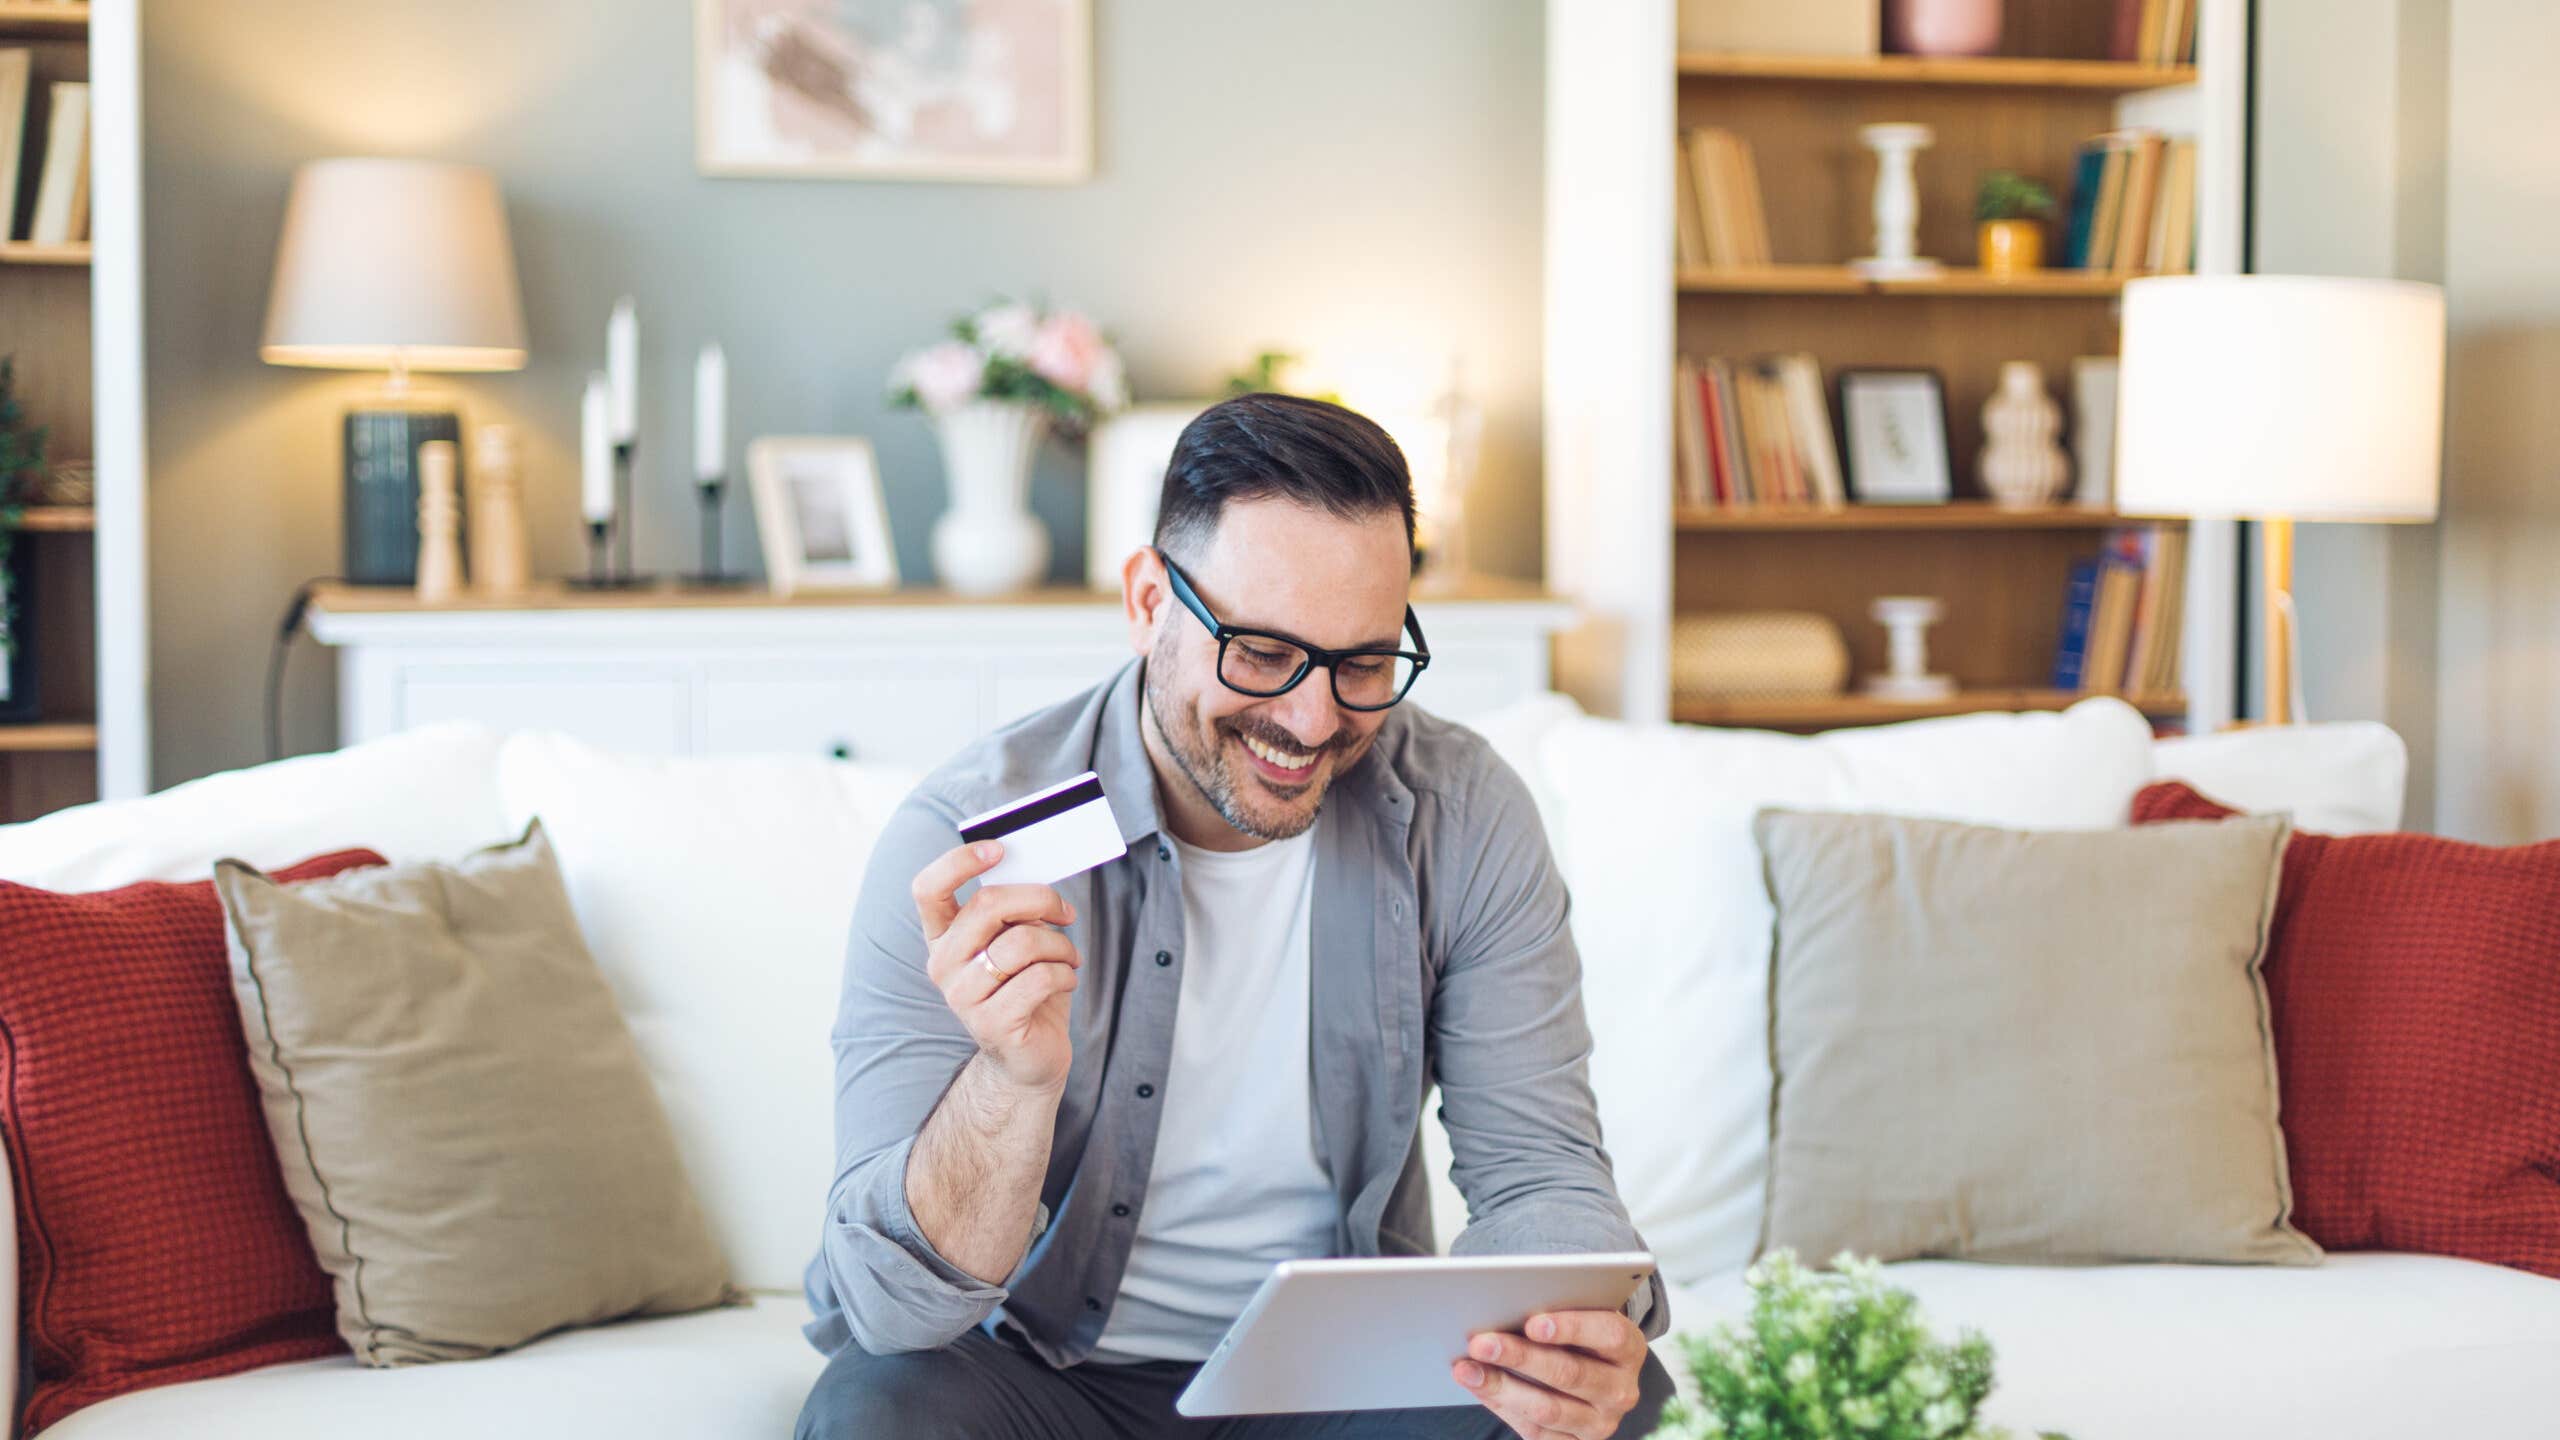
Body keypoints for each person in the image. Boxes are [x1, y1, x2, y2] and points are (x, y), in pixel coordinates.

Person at [798, 394, 1673, 1439]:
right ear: (1148, 602)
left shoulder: (1461, 812)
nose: (1311, 719)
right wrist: (1010, 1081)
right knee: (876, 1415)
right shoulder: (965, 841)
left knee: (1617, 1410)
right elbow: (893, 1312)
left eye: (1362, 663)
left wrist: (1575, 1337)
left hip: (1342, 1380)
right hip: (1034, 1375)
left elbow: (1537, 1172)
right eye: (1261, 651)